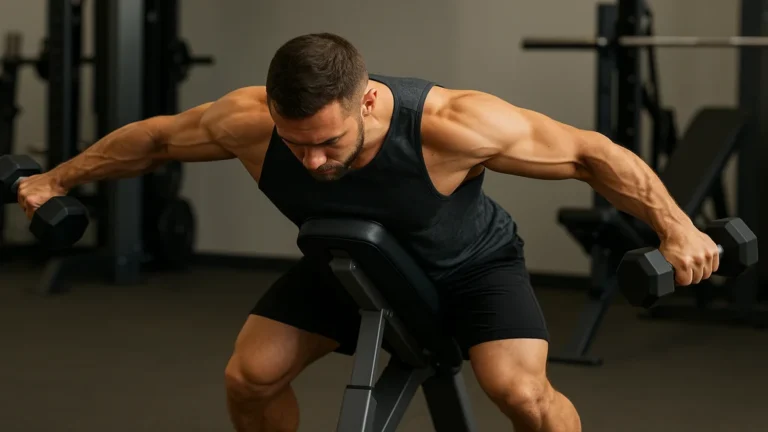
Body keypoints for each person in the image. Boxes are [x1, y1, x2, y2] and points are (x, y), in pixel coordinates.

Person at [16, 33, 720, 432]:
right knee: (249, 378)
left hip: (470, 269)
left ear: (370, 101)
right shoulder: (248, 122)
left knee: (520, 394)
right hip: (348, 264)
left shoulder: (450, 124)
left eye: (329, 142)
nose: (312, 161)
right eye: (295, 144)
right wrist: (56, 179)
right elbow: (155, 141)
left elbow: (590, 154)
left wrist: (677, 227)